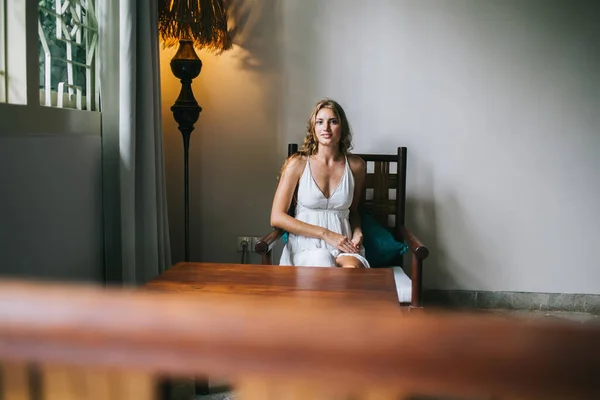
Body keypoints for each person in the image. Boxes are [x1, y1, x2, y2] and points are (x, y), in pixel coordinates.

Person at [270, 99, 370, 268]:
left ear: (342, 127)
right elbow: (277, 217)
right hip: (306, 246)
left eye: (333, 121)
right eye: (320, 122)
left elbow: (353, 212)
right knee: (322, 260)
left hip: (343, 245)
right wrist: (325, 234)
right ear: (313, 128)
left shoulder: (356, 166)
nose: (326, 128)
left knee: (352, 270)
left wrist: (358, 232)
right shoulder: (297, 164)